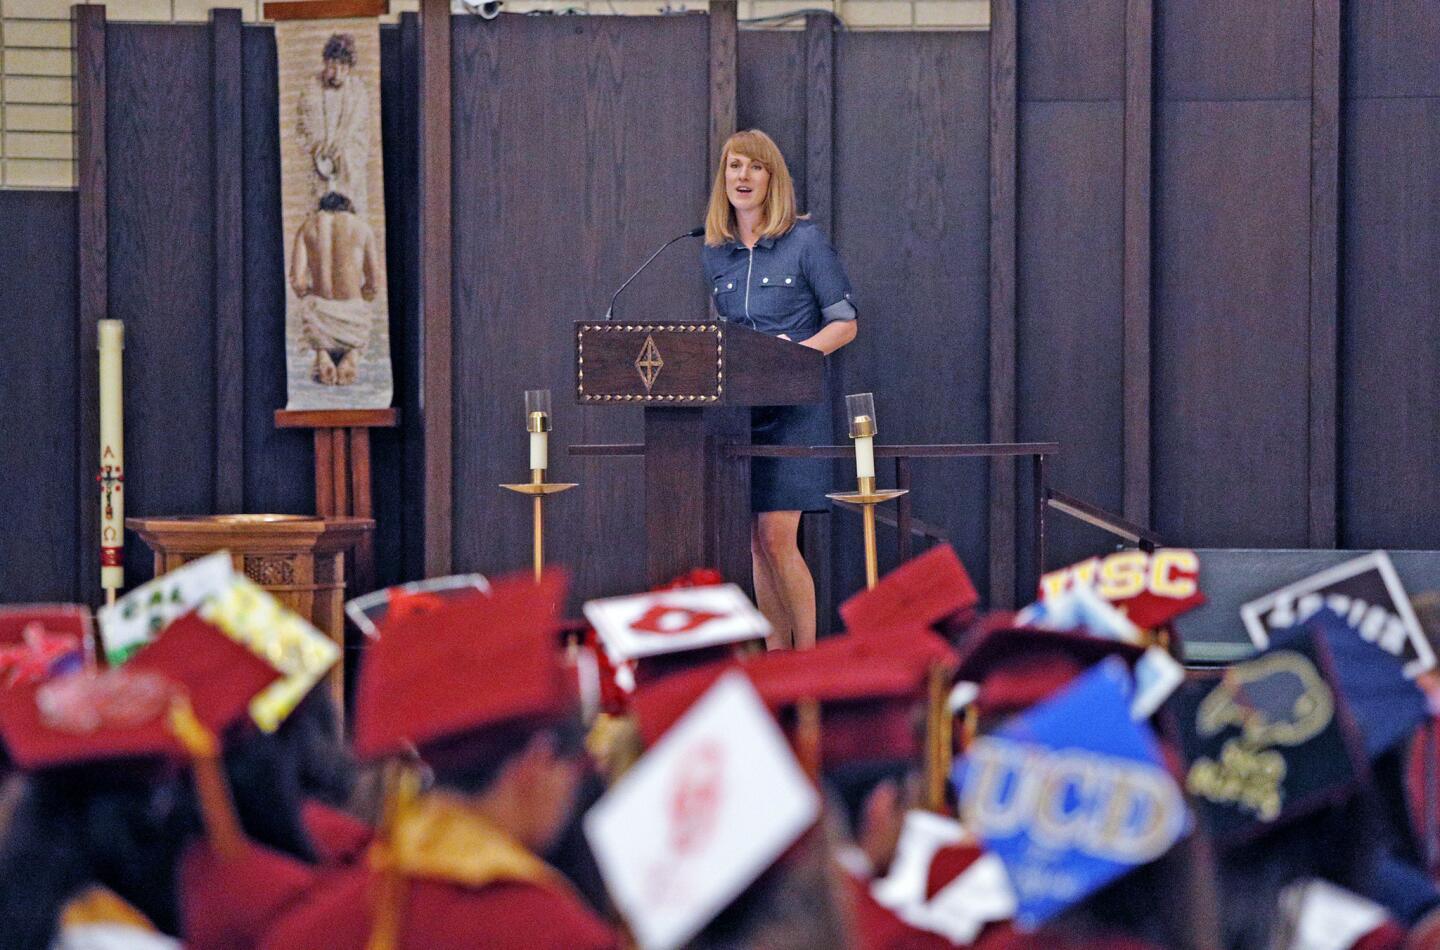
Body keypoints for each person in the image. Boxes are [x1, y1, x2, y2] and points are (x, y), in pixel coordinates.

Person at [702, 128, 858, 651]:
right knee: (754, 542)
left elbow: (845, 322)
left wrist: (797, 354)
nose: (742, 177)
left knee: (776, 536)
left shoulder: (805, 242)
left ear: (773, 179)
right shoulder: (714, 254)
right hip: (741, 414)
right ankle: (775, 662)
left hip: (795, 411)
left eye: (755, 167)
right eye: (734, 167)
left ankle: (807, 660)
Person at [290, 191, 381, 386]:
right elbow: (374, 284)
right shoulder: (362, 228)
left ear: (321, 207)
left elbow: (297, 281)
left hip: (319, 317)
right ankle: (351, 355)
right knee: (360, 321)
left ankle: (322, 355)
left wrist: (311, 295)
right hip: (353, 318)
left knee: (311, 308)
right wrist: (361, 298)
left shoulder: (307, 227)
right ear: (348, 207)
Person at [296, 33, 370, 213]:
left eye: (343, 68)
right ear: (325, 62)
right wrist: (322, 149)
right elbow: (306, 125)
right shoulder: (312, 87)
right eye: (332, 66)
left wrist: (340, 148)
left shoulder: (358, 91)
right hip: (320, 165)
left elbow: (356, 126)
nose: (337, 73)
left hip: (348, 168)